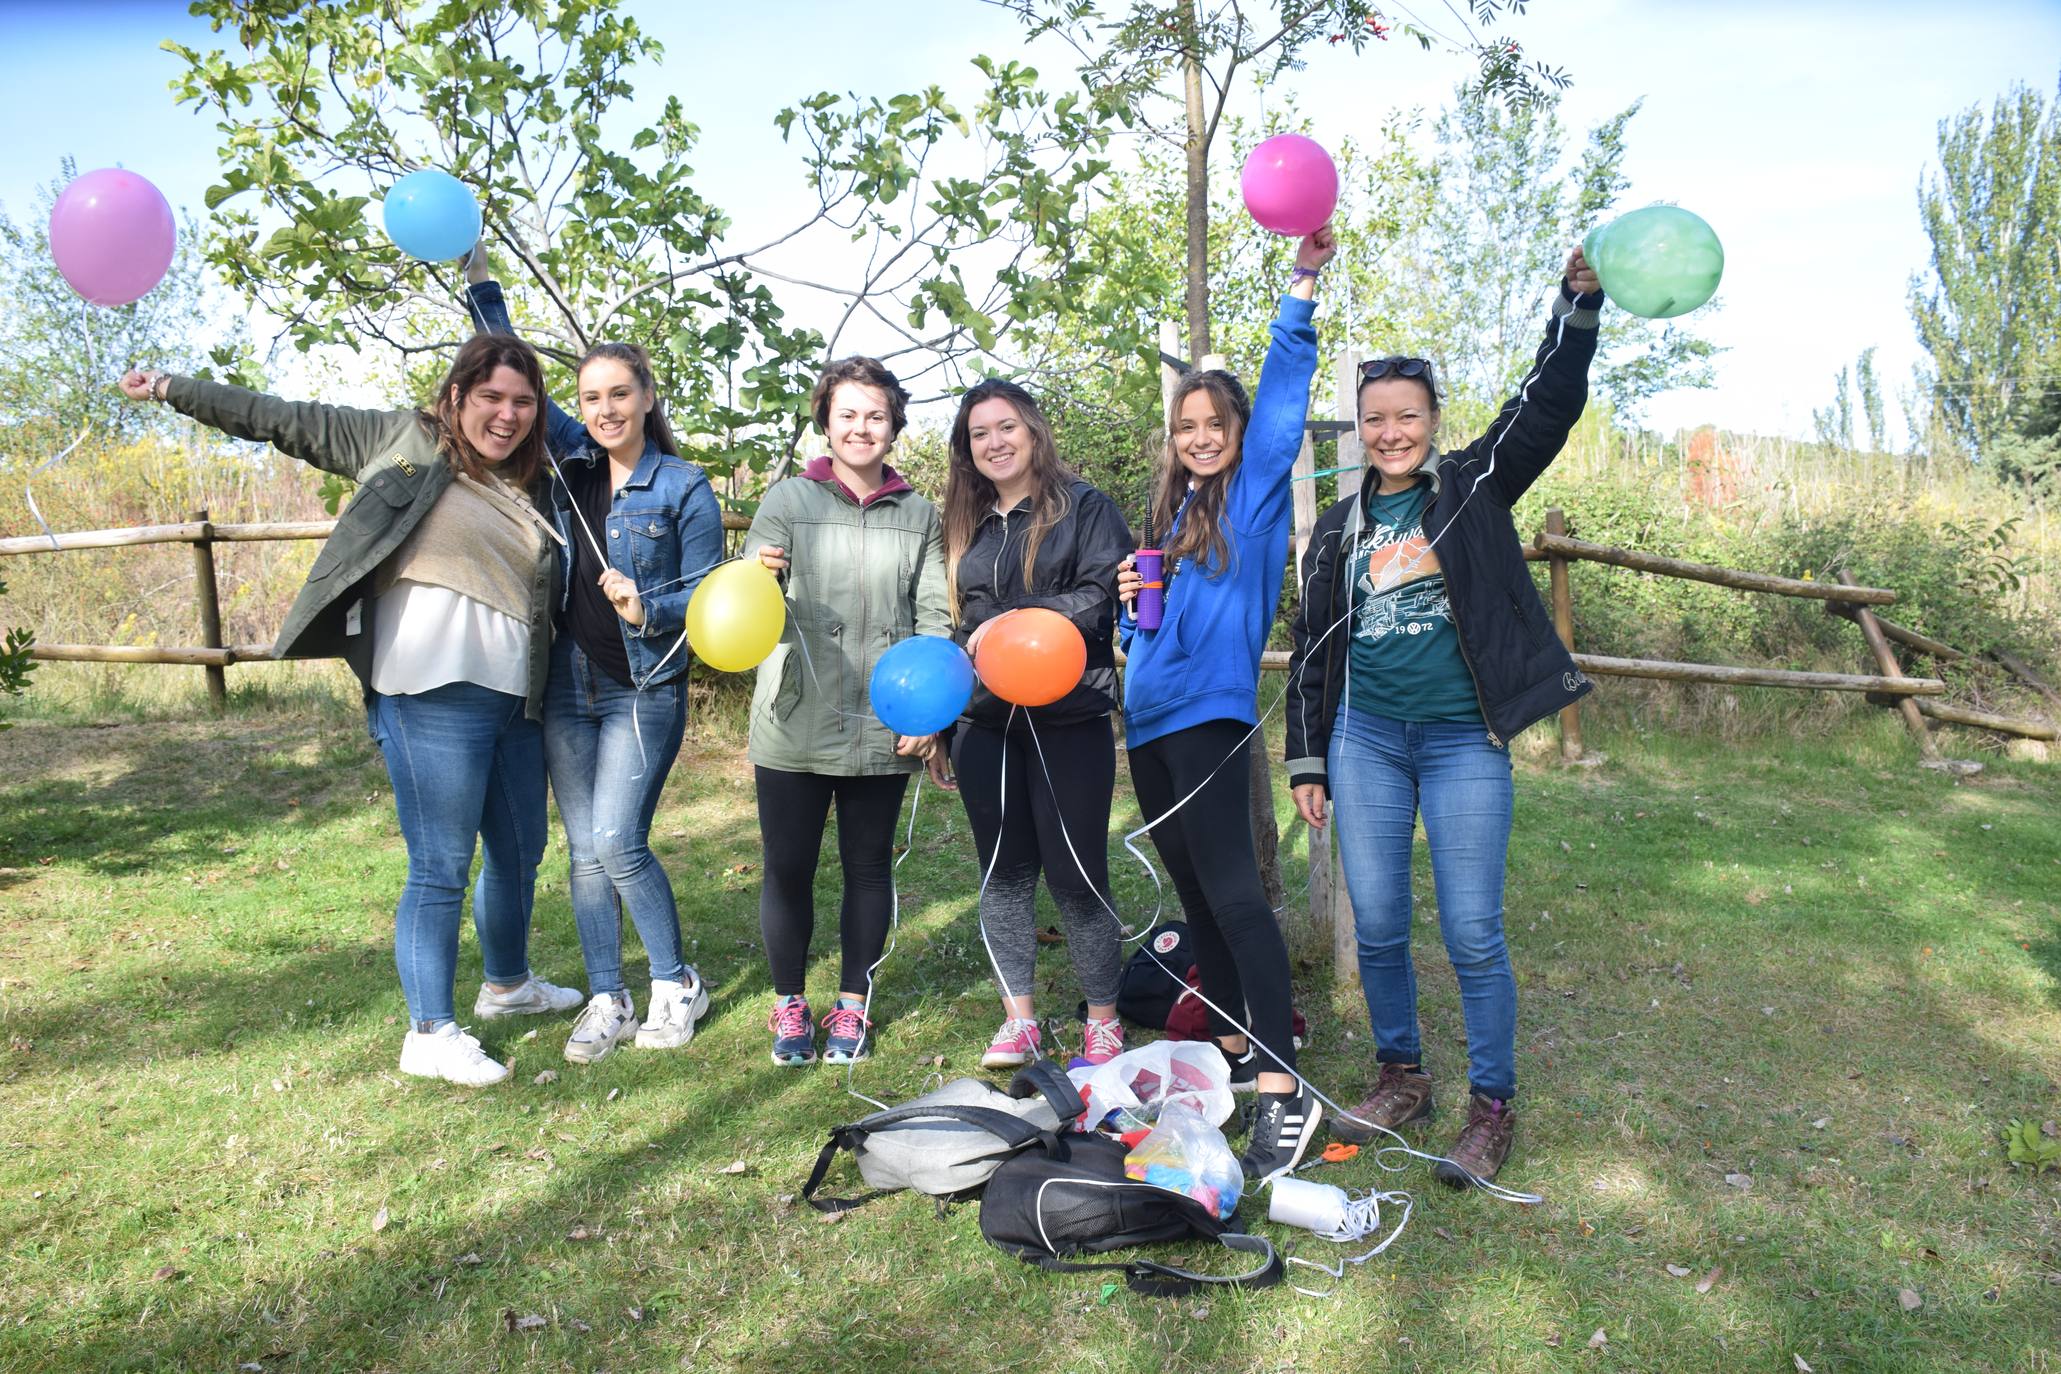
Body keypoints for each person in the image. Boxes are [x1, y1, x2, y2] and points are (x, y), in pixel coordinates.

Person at [117, 342, 585, 1086]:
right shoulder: (397, 440)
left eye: (524, 402)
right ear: (457, 395)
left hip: (514, 697)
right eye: (492, 397)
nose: (507, 414)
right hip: (426, 691)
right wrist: (174, 387)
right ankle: (429, 1031)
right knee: (440, 865)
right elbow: (279, 419)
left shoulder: (537, 484)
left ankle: (508, 985)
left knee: (520, 852)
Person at [1283, 245, 1603, 1189]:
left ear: (1432, 421)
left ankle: (1491, 1105)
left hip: (1464, 740)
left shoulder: (1470, 490)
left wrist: (1575, 311)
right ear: (1359, 427)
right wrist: (1307, 761)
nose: (1390, 433)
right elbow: (1312, 650)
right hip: (1366, 741)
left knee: (1470, 932)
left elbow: (1545, 406)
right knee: (1378, 925)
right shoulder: (1340, 526)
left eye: (1407, 416)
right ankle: (1400, 1074)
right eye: (1375, 419)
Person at [463, 255, 723, 1065]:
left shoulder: (683, 487)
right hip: (569, 687)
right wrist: (483, 293)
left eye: (619, 394)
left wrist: (652, 607)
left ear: (646, 397)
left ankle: (676, 981)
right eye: (591, 398)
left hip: (644, 684)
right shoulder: (570, 465)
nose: (604, 410)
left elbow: (714, 596)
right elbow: (514, 370)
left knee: (618, 841)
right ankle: (608, 996)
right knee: (582, 853)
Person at [1116, 225, 1335, 1179]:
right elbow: (1149, 636)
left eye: (1215, 425)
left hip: (1209, 718)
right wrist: (1130, 617)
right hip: (1149, 722)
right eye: (1186, 428)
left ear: (1239, 435)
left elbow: (1285, 402)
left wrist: (1300, 290)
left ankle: (1283, 1081)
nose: (1200, 438)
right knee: (1196, 892)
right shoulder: (1170, 515)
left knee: (1238, 890)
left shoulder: (1249, 496)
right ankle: (1236, 1052)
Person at [745, 357, 951, 1067]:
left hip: (882, 723)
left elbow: (932, 617)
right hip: (792, 720)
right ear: (824, 422)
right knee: (788, 868)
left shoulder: (920, 514)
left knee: (868, 868)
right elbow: (748, 613)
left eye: (875, 415)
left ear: (893, 425)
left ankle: (851, 1010)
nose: (861, 427)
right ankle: (789, 1008)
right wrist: (756, 578)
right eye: (847, 414)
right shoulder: (785, 502)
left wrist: (929, 713)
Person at [939, 379, 1131, 1068]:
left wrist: (1013, 625)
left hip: (1069, 718)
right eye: (979, 433)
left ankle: (1103, 1018)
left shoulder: (1086, 507)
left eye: (1006, 427)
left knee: (1077, 874)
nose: (994, 442)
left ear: (1033, 431)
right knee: (1002, 871)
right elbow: (955, 628)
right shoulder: (964, 525)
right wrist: (943, 719)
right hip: (985, 727)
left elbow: (1099, 595)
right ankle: (1018, 1018)